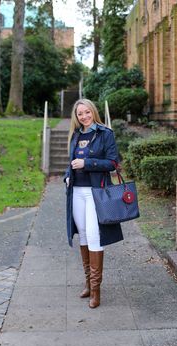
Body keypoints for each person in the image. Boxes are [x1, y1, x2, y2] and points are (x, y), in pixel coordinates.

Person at [64, 98, 123, 309]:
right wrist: (67, 176)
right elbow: (70, 163)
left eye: (87, 112)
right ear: (76, 116)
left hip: (95, 192)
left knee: (94, 233)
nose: (84, 116)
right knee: (84, 236)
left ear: (93, 112)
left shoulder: (105, 133)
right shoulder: (76, 134)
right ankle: (88, 283)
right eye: (80, 114)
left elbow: (113, 163)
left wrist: (87, 163)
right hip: (76, 193)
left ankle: (96, 291)